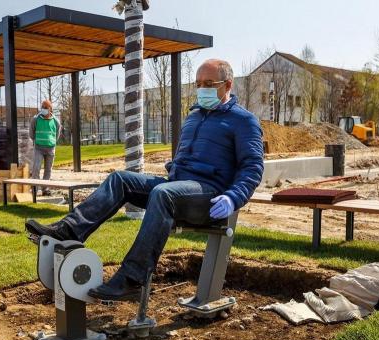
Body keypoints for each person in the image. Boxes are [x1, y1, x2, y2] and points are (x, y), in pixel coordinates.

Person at [25, 59, 264, 301]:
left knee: (163, 194)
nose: (202, 89)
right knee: (120, 179)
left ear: (228, 85)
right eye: (198, 83)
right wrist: (176, 166)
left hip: (210, 197)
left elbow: (253, 167)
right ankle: (68, 231)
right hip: (178, 187)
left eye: (209, 83)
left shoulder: (243, 121)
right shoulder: (194, 116)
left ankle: (132, 279)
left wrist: (233, 198)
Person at [29, 99, 61, 195]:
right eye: (42, 107)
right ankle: (35, 188)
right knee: (36, 168)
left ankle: (45, 189)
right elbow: (31, 133)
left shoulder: (56, 121)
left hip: (50, 148)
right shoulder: (36, 119)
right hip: (39, 148)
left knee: (48, 169)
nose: (43, 109)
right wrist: (37, 140)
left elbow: (57, 134)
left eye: (45, 107)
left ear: (50, 108)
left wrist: (53, 142)